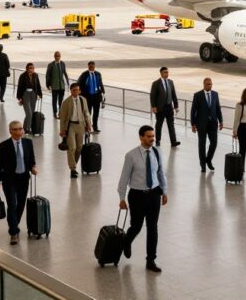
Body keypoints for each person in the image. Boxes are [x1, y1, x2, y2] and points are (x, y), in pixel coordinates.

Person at [117, 125, 168, 273]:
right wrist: (121, 198)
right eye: (149, 136)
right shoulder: (131, 155)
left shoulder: (157, 152)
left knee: (153, 228)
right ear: (141, 137)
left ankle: (150, 260)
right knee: (136, 226)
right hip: (137, 195)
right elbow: (124, 178)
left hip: (154, 194)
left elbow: (160, 173)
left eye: (153, 136)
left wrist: (164, 191)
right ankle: (127, 241)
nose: (152, 139)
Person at [0, 121, 38, 245]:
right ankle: (13, 233)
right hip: (9, 180)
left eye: (21, 129)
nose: (19, 132)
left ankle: (14, 224)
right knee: (12, 205)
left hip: (23, 179)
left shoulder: (28, 143)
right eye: (16, 129)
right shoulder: (4, 145)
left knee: (21, 205)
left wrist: (33, 168)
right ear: (10, 131)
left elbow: (32, 160)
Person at [58, 83, 92, 178]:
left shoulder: (83, 100)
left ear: (80, 91)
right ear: (71, 91)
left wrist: (89, 124)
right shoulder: (66, 102)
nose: (76, 92)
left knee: (79, 148)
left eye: (77, 90)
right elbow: (63, 118)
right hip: (71, 126)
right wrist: (62, 130)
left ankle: (74, 165)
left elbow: (86, 113)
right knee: (71, 147)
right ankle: (72, 169)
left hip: (81, 125)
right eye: (74, 90)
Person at [190, 77, 223, 173]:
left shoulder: (215, 94)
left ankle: (208, 159)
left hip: (213, 123)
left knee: (214, 143)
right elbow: (193, 111)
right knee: (202, 144)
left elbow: (218, 108)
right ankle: (202, 164)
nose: (210, 86)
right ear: (204, 84)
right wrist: (193, 124)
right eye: (208, 84)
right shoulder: (198, 95)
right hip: (201, 124)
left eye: (211, 84)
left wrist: (221, 121)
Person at [149, 67, 180, 147]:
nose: (167, 74)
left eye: (167, 72)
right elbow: (153, 96)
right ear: (161, 73)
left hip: (169, 107)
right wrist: (153, 106)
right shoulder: (156, 83)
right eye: (165, 72)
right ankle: (158, 141)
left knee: (171, 125)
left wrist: (176, 106)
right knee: (159, 125)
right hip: (160, 108)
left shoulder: (170, 82)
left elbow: (174, 94)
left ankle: (173, 141)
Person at [77, 61, 105, 133]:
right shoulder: (84, 74)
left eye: (93, 66)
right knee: (88, 113)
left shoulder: (98, 74)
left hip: (96, 96)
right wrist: (80, 94)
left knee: (96, 113)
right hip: (88, 97)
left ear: (94, 66)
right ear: (88, 66)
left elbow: (101, 84)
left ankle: (95, 127)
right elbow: (79, 84)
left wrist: (103, 93)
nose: (92, 67)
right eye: (90, 66)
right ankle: (87, 127)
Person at [16, 63, 43, 134]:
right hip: (25, 94)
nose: (31, 69)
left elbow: (38, 85)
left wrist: (40, 94)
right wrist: (19, 97)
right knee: (29, 113)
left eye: (33, 68)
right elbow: (19, 87)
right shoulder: (22, 76)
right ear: (27, 68)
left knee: (30, 113)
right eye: (30, 68)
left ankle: (24, 128)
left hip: (33, 95)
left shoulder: (35, 75)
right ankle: (28, 129)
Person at [45, 51, 70, 117]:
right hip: (54, 86)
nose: (57, 57)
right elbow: (48, 75)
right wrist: (48, 85)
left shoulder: (62, 64)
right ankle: (55, 112)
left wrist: (67, 83)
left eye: (58, 56)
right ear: (54, 57)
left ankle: (60, 112)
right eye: (56, 56)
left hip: (61, 86)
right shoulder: (51, 65)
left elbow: (65, 73)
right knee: (54, 100)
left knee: (61, 101)